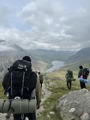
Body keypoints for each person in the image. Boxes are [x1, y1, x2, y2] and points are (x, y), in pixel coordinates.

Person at [2, 56, 41, 120]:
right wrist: (38, 102)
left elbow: (5, 84)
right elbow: (37, 90)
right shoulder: (33, 75)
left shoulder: (11, 73)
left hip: (16, 102)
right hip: (29, 102)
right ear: (30, 64)